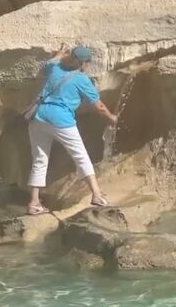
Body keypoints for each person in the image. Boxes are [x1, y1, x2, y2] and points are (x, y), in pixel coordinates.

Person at [25, 44, 118, 215]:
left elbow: (50, 62)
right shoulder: (82, 79)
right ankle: (97, 195)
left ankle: (34, 203)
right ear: (84, 63)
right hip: (61, 120)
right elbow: (98, 106)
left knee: (39, 160)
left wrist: (59, 54)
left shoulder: (55, 68)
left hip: (38, 117)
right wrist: (112, 117)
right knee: (81, 156)